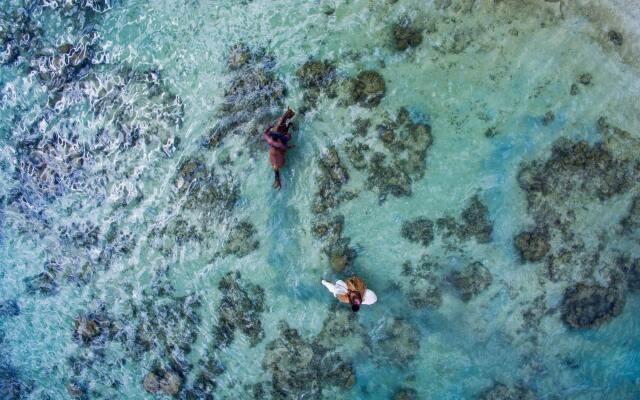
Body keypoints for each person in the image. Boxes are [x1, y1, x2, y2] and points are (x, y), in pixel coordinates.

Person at [263, 107, 295, 189]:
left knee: (275, 165)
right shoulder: (280, 144)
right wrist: (289, 146)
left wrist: (269, 127)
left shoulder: (269, 139)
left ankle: (277, 178)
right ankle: (277, 178)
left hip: (273, 158)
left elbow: (265, 133)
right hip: (279, 160)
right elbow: (284, 147)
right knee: (282, 152)